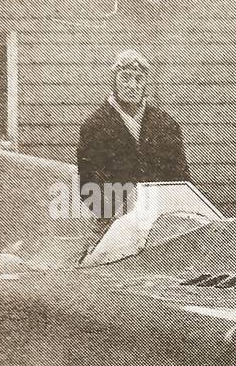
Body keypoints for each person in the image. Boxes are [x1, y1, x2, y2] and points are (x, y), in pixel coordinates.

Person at [77, 49, 189, 245]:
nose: (132, 85)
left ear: (145, 83)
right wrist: (122, 216)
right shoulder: (94, 126)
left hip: (161, 221)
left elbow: (181, 178)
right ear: (114, 80)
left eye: (139, 79)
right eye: (126, 78)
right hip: (113, 224)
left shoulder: (165, 123)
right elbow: (89, 187)